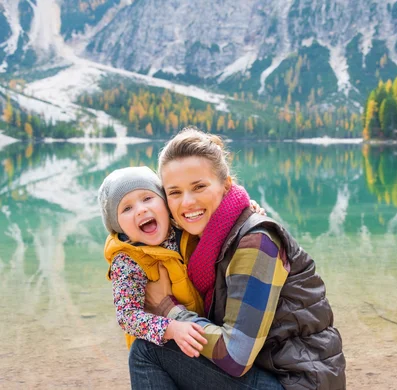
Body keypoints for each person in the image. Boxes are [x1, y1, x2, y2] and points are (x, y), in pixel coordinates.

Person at [128, 127, 346, 390]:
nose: (187, 202)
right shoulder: (195, 243)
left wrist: (166, 308)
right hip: (267, 374)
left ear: (226, 185)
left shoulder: (257, 242)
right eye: (174, 192)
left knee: (148, 350)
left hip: (296, 384)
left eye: (199, 187)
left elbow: (235, 357)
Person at [98, 166, 208, 357]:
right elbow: (128, 316)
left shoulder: (183, 231)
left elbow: (217, 219)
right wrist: (172, 329)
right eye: (127, 208)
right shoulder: (127, 259)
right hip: (161, 347)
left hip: (198, 329)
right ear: (117, 225)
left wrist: (246, 209)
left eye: (148, 198)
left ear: (165, 204)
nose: (141, 210)